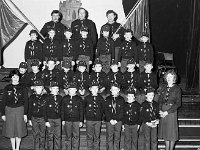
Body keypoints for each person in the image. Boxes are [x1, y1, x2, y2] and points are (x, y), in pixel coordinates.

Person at [1, 69, 28, 150]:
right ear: (11, 78)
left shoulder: (23, 88)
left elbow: (26, 101)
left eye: (17, 77)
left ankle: (17, 147)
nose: (15, 78)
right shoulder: (7, 88)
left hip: (20, 110)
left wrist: (25, 114)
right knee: (11, 131)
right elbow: (3, 101)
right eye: (13, 77)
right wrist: (3, 113)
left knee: (19, 131)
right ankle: (13, 148)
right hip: (9, 111)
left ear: (19, 78)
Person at [158, 70, 181, 150]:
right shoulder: (163, 87)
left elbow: (178, 103)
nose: (169, 78)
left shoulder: (177, 89)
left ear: (174, 78)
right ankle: (166, 148)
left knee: (171, 133)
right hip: (163, 110)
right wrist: (160, 110)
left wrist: (167, 112)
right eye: (167, 76)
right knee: (166, 132)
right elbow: (160, 100)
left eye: (171, 77)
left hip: (171, 111)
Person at [61, 82, 83, 150]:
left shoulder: (79, 99)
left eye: (74, 89)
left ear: (76, 90)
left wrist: (81, 120)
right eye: (70, 89)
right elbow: (62, 110)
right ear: (68, 90)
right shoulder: (64, 98)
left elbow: (81, 110)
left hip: (76, 120)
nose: (72, 91)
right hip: (67, 120)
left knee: (76, 136)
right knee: (68, 136)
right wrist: (63, 119)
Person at [103, 82, 125, 150]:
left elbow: (122, 111)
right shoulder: (107, 99)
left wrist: (116, 120)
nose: (114, 91)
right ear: (110, 90)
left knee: (117, 137)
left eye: (115, 89)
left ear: (118, 90)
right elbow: (105, 110)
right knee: (109, 136)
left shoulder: (121, 99)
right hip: (109, 121)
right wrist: (110, 119)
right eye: (112, 89)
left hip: (118, 121)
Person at [83, 80, 104, 150]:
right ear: (90, 89)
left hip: (98, 120)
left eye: (96, 88)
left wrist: (101, 117)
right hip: (89, 120)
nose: (95, 90)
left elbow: (103, 109)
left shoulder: (101, 98)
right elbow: (83, 109)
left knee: (97, 136)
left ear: (98, 89)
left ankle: (96, 148)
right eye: (93, 88)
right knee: (89, 136)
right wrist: (85, 118)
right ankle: (89, 148)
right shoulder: (86, 98)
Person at [28, 79, 47, 150]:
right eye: (37, 87)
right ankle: (36, 148)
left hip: (42, 118)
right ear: (34, 88)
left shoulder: (46, 97)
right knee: (35, 134)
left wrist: (46, 119)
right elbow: (30, 108)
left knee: (42, 134)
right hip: (34, 118)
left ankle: (42, 148)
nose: (38, 89)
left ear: (42, 88)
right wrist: (29, 119)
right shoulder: (32, 97)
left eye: (40, 87)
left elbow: (47, 109)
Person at [44, 81, 62, 150]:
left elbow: (62, 109)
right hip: (49, 119)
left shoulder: (60, 97)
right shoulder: (47, 97)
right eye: (54, 88)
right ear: (50, 89)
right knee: (50, 136)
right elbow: (44, 110)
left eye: (57, 88)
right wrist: (46, 121)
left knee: (58, 136)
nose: (56, 90)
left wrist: (62, 119)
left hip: (58, 119)